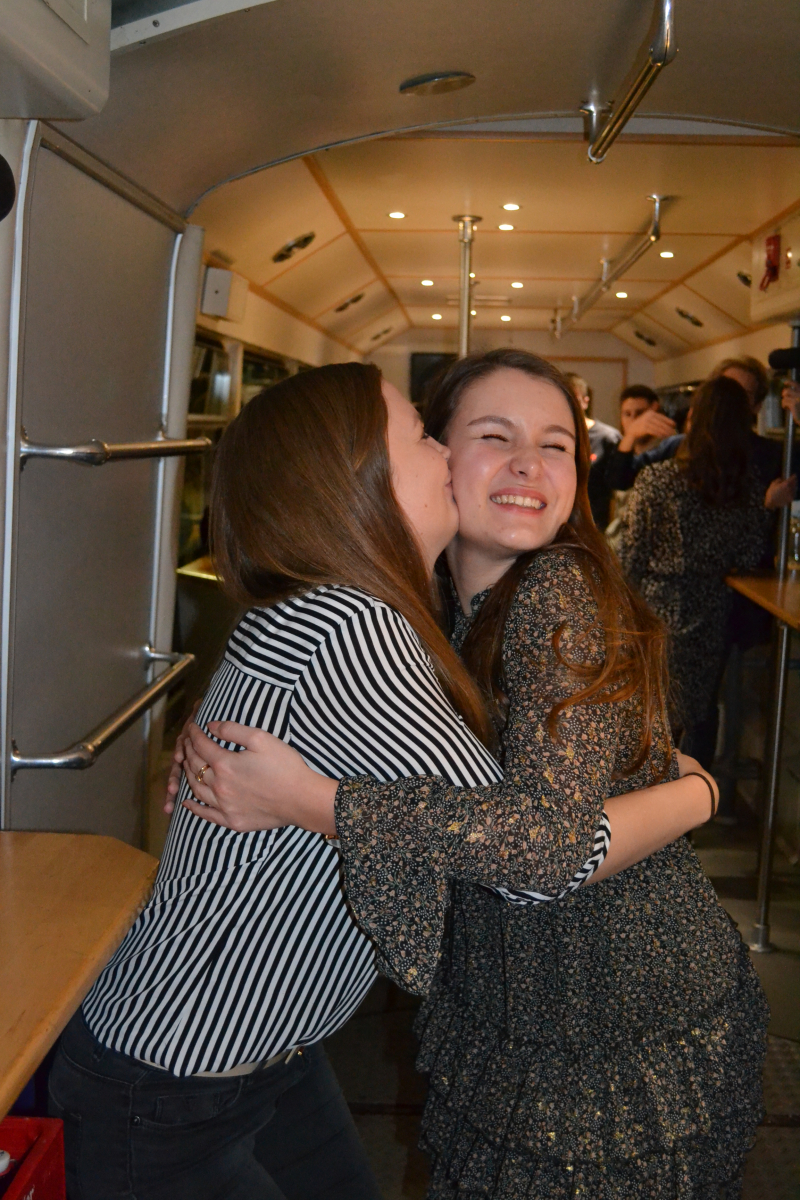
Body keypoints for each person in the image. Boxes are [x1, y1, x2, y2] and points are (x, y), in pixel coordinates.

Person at [50, 363, 712, 1200]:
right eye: (424, 437)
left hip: (253, 1056)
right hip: (176, 1080)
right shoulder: (356, 628)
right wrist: (698, 790)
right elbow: (535, 855)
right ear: (356, 480)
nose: (442, 454)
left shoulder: (337, 605)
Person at [618, 374, 774, 769]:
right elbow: (749, 553)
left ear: (693, 419)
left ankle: (646, 800)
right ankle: (694, 801)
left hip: (655, 609)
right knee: (698, 716)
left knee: (648, 717)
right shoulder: (745, 488)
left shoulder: (657, 479)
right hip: (710, 610)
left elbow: (631, 557)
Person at [563, 370, 620, 528]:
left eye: (573, 399)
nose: (569, 405)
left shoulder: (608, 438)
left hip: (596, 525)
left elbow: (617, 491)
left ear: (585, 401)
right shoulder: (550, 436)